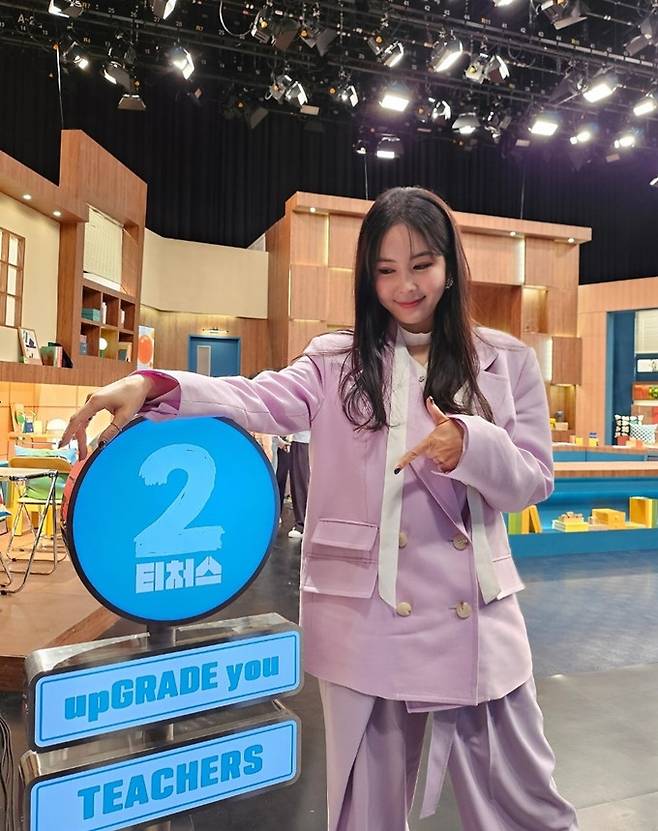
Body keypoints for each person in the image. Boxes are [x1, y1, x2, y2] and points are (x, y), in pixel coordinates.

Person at [59, 187, 578, 831]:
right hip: (367, 619)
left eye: (421, 265)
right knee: (364, 810)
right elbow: (256, 398)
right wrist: (151, 383)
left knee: (522, 803)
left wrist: (471, 444)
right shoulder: (337, 362)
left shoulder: (506, 361)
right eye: (385, 270)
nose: (405, 286)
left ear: (450, 265)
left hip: (478, 620)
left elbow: (533, 480)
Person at [288, 429, 310, 539]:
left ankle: (303, 524)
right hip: (303, 440)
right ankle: (302, 523)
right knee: (300, 482)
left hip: (306, 441)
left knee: (300, 482)